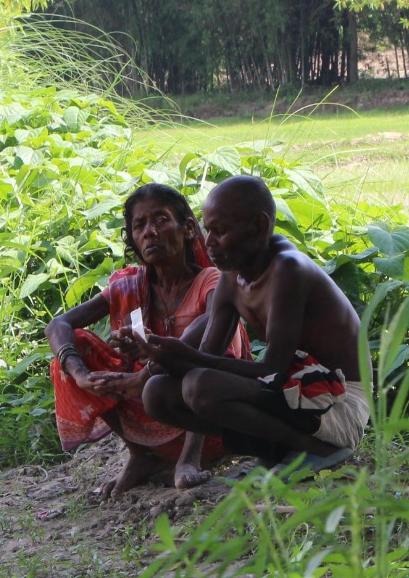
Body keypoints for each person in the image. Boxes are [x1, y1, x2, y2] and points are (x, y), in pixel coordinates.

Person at [134, 175, 368, 476]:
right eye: (208, 230)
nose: (208, 242)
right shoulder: (233, 275)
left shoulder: (288, 268)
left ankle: (319, 450)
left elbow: (273, 368)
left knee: (199, 385)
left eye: (220, 231)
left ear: (258, 226)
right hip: (296, 393)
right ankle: (278, 449)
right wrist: (160, 356)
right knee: (156, 393)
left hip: (340, 404)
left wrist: (186, 354)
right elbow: (206, 357)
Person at [46, 184, 250, 495]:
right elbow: (58, 324)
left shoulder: (211, 281)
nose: (149, 232)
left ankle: (189, 459)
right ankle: (141, 456)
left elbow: (212, 326)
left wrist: (151, 366)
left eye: (161, 220)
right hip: (151, 413)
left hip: (211, 424)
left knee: (210, 348)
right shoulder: (128, 286)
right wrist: (80, 375)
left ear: (188, 229)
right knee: (75, 347)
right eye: (139, 225)